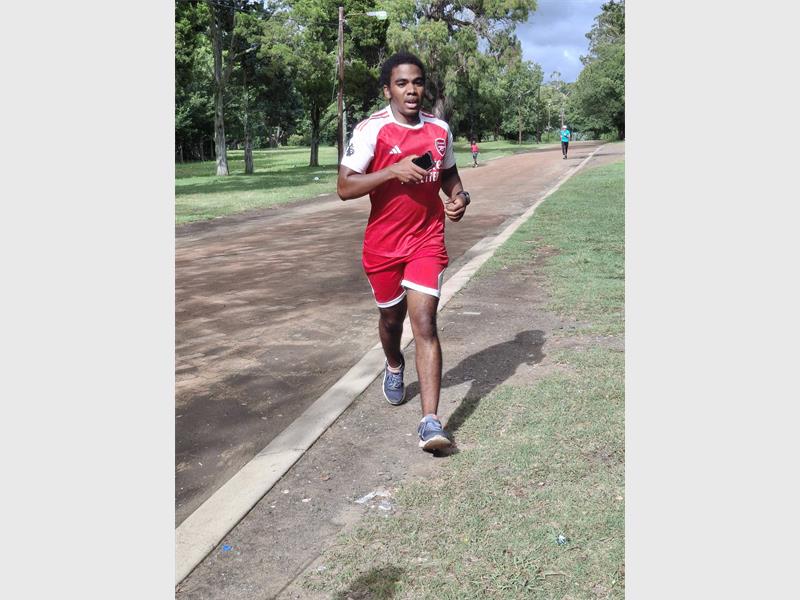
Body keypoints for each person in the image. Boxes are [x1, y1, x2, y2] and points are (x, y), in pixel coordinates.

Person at [337, 52, 471, 452]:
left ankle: (430, 422)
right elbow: (345, 187)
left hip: (427, 239)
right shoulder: (371, 131)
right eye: (401, 83)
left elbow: (448, 173)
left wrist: (460, 196)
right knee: (391, 320)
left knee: (425, 322)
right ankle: (394, 364)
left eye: (417, 82)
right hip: (382, 246)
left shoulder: (439, 129)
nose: (411, 90)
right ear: (387, 89)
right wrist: (392, 171)